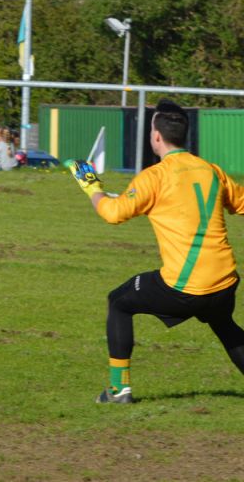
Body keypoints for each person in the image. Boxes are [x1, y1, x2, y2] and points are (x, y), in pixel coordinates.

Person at [67, 100, 244, 404]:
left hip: (186, 285)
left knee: (119, 302)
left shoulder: (155, 176)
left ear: (157, 137)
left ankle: (118, 389)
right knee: (224, 325)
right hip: (225, 280)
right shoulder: (211, 170)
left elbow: (113, 213)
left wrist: (91, 186)